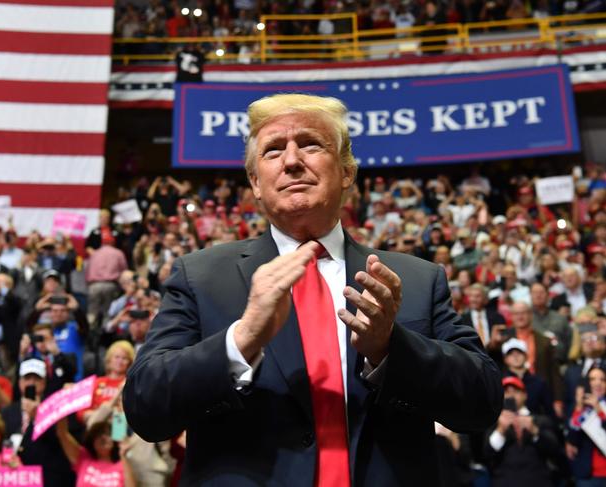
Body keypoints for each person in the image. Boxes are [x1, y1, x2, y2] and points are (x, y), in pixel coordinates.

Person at [123, 93, 502, 486]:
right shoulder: (199, 276)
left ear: (347, 171)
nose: (291, 161)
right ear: (255, 182)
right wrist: (241, 340)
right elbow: (145, 408)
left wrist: (391, 348)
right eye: (272, 151)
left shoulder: (416, 278)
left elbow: (482, 403)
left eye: (309, 144)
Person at [1, 358, 75, 487]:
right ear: (19, 382)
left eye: (36, 378)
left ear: (44, 382)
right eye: (27, 378)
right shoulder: (8, 412)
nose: (31, 382)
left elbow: (61, 440)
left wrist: (38, 415)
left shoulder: (56, 408)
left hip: (48, 478)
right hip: (15, 478)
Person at [485, 376, 561, 487]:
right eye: (506, 392)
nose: (511, 395)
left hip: (537, 481)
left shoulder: (540, 421)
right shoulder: (495, 423)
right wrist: (500, 430)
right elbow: (487, 454)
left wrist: (534, 430)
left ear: (525, 395)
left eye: (515, 391)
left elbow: (555, 449)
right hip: (505, 481)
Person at [56, 419, 136, 487]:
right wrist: (63, 410)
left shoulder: (122, 466)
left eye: (107, 434)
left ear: (114, 441)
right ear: (92, 442)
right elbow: (62, 433)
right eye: (98, 435)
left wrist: (122, 454)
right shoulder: (83, 458)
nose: (103, 437)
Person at [77, 341, 134, 426]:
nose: (120, 361)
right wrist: (101, 415)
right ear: (109, 359)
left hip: (119, 427)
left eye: (124, 358)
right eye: (117, 357)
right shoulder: (96, 382)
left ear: (129, 363)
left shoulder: (130, 384)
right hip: (95, 426)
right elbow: (81, 413)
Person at [567, 367, 606, 486]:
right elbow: (573, 440)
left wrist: (599, 410)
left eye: (603, 379)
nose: (598, 383)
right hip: (588, 475)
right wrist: (579, 407)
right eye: (592, 379)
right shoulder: (580, 408)